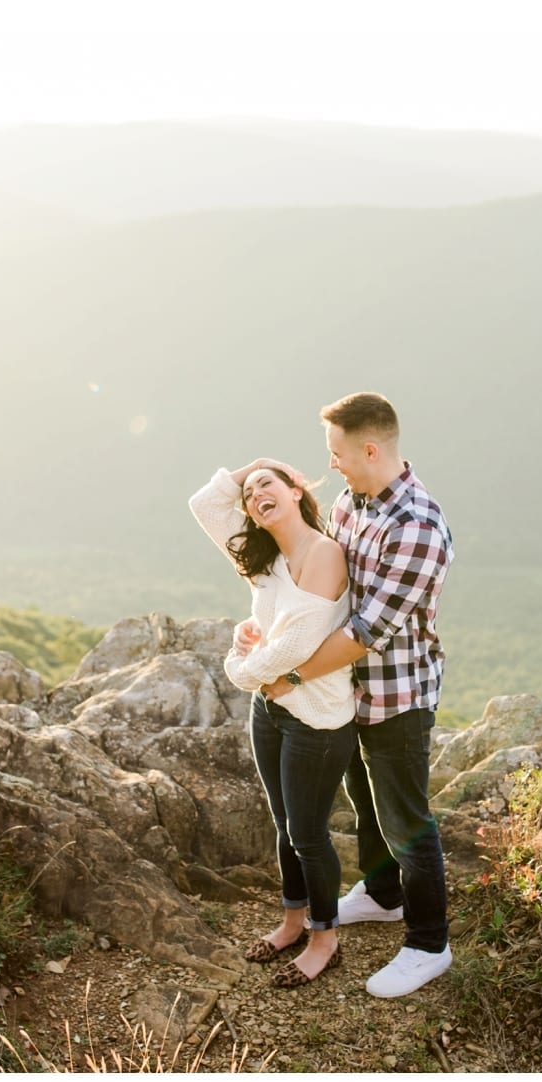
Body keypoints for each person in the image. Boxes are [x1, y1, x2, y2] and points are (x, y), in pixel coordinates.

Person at [261, 392, 454, 998]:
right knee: (362, 798)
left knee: (405, 820)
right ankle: (381, 894)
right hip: (345, 696)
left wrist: (291, 675)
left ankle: (428, 944)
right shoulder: (353, 500)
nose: (331, 465)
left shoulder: (417, 526)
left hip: (396, 695)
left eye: (337, 453)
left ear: (370, 449)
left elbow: (365, 632)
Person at [189, 458, 355, 987]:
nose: (257, 493)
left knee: (308, 833)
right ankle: (291, 923)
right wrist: (250, 471)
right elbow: (204, 505)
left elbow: (296, 645)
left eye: (270, 485)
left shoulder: (323, 553)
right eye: (251, 493)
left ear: (296, 490)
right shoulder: (267, 559)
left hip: (319, 721)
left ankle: (324, 939)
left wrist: (239, 668)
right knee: (284, 826)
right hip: (271, 710)